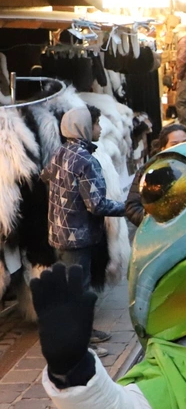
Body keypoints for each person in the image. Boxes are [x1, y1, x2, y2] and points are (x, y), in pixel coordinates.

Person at [42, 106, 125, 357]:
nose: (100, 129)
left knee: (73, 289)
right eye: (97, 123)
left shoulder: (61, 152)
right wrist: (129, 208)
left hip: (59, 235)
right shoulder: (87, 160)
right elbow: (96, 205)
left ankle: (86, 333)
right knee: (80, 292)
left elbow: (44, 176)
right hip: (77, 238)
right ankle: (81, 345)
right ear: (84, 127)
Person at [126, 125, 186, 227]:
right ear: (163, 148)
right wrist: (157, 222)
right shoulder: (149, 171)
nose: (181, 147)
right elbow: (132, 208)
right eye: (174, 144)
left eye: (185, 142)